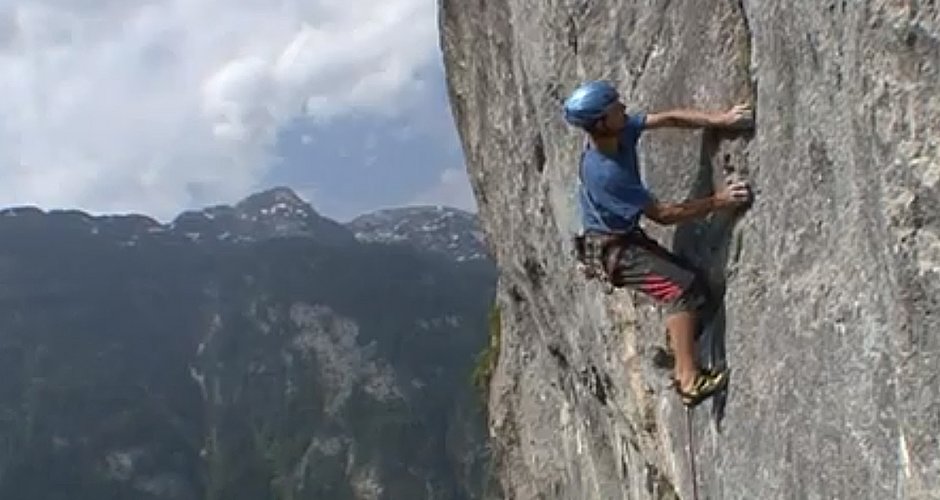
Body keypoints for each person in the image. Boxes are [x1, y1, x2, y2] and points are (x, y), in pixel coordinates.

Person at [563, 80, 753, 407]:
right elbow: (663, 214)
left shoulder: (619, 131)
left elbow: (667, 118)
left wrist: (719, 120)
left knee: (693, 286)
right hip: (615, 252)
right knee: (680, 290)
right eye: (615, 107)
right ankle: (688, 380)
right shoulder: (606, 173)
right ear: (601, 123)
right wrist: (719, 201)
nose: (624, 108)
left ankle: (680, 341)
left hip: (622, 239)